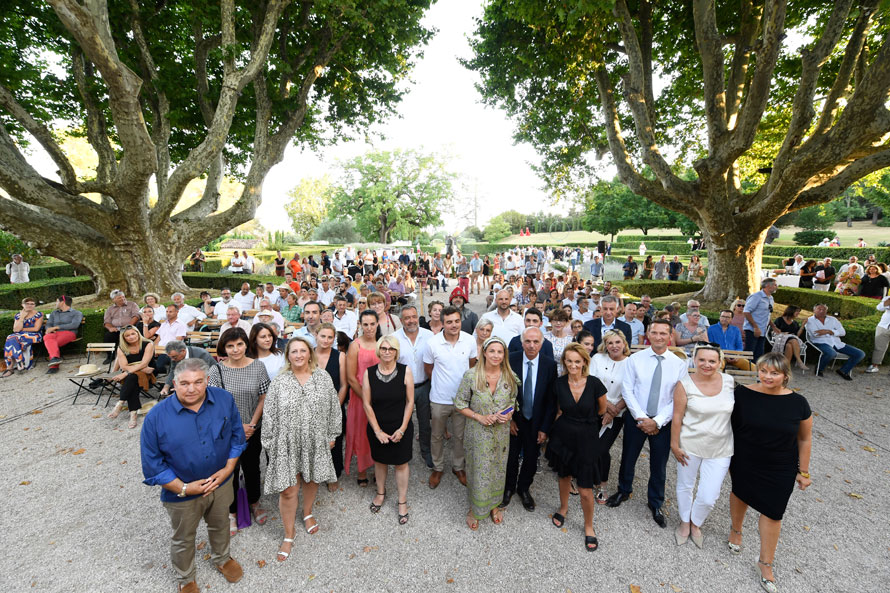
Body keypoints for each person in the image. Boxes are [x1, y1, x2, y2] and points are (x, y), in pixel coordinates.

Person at [140, 358, 246, 592]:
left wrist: (228, 469)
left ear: (207, 380)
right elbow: (153, 465)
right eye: (184, 383)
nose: (191, 388)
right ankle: (185, 578)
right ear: (174, 383)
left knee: (220, 525)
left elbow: (237, 438)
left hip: (221, 484)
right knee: (183, 537)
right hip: (181, 492)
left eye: (198, 382)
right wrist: (185, 489)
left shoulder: (224, 400)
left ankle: (222, 558)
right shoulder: (155, 418)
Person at [728, 353, 812, 593]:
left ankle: (765, 564)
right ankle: (736, 531)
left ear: (785, 375)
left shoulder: (799, 403)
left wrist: (803, 472)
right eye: (763, 371)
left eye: (774, 373)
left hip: (781, 465)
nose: (767, 376)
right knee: (740, 493)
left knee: (774, 512)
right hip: (744, 459)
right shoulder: (742, 394)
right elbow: (726, 426)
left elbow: (805, 439)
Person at [261, 336, 340, 561]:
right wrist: (269, 441)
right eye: (293, 351)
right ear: (288, 356)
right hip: (286, 442)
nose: (298, 355)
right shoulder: (280, 381)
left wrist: (332, 434)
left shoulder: (322, 378)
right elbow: (270, 412)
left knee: (312, 478)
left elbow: (334, 407)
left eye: (302, 351)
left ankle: (306, 512)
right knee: (288, 489)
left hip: (315, 440)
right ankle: (288, 533)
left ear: (309, 353)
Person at [606, 319, 688, 529]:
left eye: (663, 333)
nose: (659, 337)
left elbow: (677, 399)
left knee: (658, 465)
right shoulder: (636, 359)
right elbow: (628, 390)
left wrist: (657, 421)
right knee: (628, 457)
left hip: (663, 421)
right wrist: (641, 418)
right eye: (655, 333)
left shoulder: (679, 364)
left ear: (670, 336)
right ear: (648, 335)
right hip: (637, 419)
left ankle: (656, 502)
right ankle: (623, 491)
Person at [207, 328, 271, 535]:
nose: (235, 350)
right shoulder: (216, 370)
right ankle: (232, 511)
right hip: (226, 431)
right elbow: (214, 404)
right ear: (224, 348)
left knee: (252, 468)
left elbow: (264, 397)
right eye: (230, 346)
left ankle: (254, 502)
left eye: (239, 344)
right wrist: (237, 427)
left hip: (253, 429)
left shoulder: (258, 366)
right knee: (230, 471)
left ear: (246, 344)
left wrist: (251, 425)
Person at [670, 344, 735, 548]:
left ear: (720, 362)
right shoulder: (684, 384)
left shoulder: (729, 381)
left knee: (709, 495)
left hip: (721, 447)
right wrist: (674, 444)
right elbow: (677, 416)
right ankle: (684, 522)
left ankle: (696, 522)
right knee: (685, 486)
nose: (706, 365)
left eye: (712, 361)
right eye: (702, 360)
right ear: (694, 361)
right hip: (689, 444)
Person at [545, 343, 607, 551]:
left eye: (577, 361)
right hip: (563, 435)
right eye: (569, 361)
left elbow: (602, 409)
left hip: (587, 437)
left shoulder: (595, 383)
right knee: (564, 477)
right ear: (564, 362)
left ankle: (589, 526)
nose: (573, 365)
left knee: (585, 489)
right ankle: (563, 508)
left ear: (584, 362)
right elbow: (556, 409)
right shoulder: (559, 383)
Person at [455, 336, 518, 529]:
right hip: (478, 433)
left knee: (498, 469)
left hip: (501, 434)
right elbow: (459, 404)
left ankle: (494, 505)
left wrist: (508, 415)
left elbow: (513, 402)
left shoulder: (509, 377)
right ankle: (476, 508)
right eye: (492, 351)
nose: (496, 355)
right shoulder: (471, 376)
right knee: (478, 470)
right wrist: (479, 417)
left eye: (500, 352)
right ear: (484, 352)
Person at [501, 327, 557, 512]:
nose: (531, 346)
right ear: (521, 342)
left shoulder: (549, 365)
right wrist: (509, 419)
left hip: (536, 421)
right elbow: (504, 393)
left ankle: (523, 488)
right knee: (511, 456)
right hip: (515, 420)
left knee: (531, 458)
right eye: (528, 341)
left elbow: (551, 400)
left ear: (542, 343)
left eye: (536, 342)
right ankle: (508, 488)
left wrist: (545, 428)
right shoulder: (511, 359)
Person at [423, 306, 478, 489]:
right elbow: (429, 369)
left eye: (456, 321)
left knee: (460, 436)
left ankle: (458, 466)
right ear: (442, 323)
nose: (454, 325)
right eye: (449, 322)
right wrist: (441, 384)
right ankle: (438, 468)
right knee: (437, 435)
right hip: (439, 399)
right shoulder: (432, 343)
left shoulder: (469, 340)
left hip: (462, 400)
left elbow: (471, 367)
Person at [363, 335, 415, 525]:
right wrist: (377, 431)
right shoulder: (369, 373)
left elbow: (410, 401)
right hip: (378, 426)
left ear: (396, 352)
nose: (387, 352)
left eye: (391, 349)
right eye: (384, 348)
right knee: (380, 461)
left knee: (401, 463)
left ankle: (402, 501)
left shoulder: (405, 371)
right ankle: (380, 493)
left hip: (401, 425)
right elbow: (367, 404)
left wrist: (402, 429)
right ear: (378, 350)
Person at [589, 330, 629, 503]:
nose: (614, 346)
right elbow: (591, 382)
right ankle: (589, 478)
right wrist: (607, 407)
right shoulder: (597, 359)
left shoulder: (631, 363)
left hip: (617, 415)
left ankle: (602, 483)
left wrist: (613, 411)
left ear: (624, 344)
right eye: (610, 343)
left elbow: (631, 391)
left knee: (601, 449)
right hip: (594, 409)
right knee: (590, 446)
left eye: (617, 342)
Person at [394, 305, 435, 469]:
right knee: (404, 422)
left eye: (413, 316)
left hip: (424, 386)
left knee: (425, 423)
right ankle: (404, 453)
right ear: (401, 320)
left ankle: (426, 452)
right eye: (407, 318)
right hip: (403, 388)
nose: (411, 321)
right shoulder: (394, 338)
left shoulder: (430, 336)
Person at [345, 310, 381, 486]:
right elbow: (351, 377)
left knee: (378, 432)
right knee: (361, 433)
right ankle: (361, 470)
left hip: (380, 398)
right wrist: (367, 399)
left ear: (377, 324)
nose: (369, 328)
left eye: (372, 324)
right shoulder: (355, 345)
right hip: (360, 397)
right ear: (360, 325)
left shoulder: (383, 344)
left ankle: (378, 467)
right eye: (365, 324)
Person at [312, 323, 348, 492]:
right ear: (316, 335)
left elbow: (343, 385)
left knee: (334, 443)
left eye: (330, 337)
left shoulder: (340, 356)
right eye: (323, 336)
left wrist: (334, 408)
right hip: (310, 407)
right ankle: (313, 472)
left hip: (334, 406)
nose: (326, 340)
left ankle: (332, 475)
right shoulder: (307, 354)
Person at [107, 326, 155, 429]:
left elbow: (144, 363)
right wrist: (132, 370)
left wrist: (125, 373)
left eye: (133, 334)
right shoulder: (121, 348)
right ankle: (133, 414)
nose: (131, 337)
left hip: (148, 373)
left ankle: (121, 404)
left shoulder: (148, 344)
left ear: (138, 333)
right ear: (123, 338)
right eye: (127, 335)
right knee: (132, 378)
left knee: (130, 377)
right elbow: (123, 366)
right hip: (135, 373)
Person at [804, 304, 866, 380]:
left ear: (826, 311)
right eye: (819, 309)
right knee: (831, 353)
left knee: (860, 354)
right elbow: (815, 334)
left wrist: (828, 331)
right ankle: (819, 369)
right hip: (821, 342)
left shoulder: (832, 319)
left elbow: (843, 332)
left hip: (837, 343)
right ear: (814, 310)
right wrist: (835, 332)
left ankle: (843, 370)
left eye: (824, 309)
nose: (821, 311)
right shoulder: (810, 320)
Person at [2, 297, 44, 376]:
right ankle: (19, 363)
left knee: (14, 338)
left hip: (35, 335)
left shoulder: (39, 314)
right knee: (10, 337)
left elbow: (36, 328)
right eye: (27, 304)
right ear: (22, 305)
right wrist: (22, 317)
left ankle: (11, 367)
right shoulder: (18, 315)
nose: (29, 305)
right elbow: (15, 330)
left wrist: (21, 329)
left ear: (34, 305)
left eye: (32, 304)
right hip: (20, 336)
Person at [43, 295, 83, 372]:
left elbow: (74, 325)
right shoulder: (54, 313)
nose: (55, 303)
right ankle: (55, 359)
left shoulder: (76, 313)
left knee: (50, 343)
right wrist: (48, 329)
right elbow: (48, 324)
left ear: (62, 302)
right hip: (54, 334)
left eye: (57, 301)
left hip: (69, 333)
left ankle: (54, 367)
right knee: (47, 337)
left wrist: (56, 327)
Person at [743, 278, 777, 361]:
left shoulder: (771, 298)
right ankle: (746, 372)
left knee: (759, 354)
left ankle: (755, 372)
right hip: (752, 330)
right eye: (775, 285)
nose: (777, 287)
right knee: (749, 353)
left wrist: (773, 326)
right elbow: (746, 312)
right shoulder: (756, 296)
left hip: (762, 330)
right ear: (768, 286)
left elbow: (767, 315)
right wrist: (755, 327)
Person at [102, 290, 140, 362]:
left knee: (130, 334)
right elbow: (107, 321)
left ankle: (132, 355)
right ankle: (110, 356)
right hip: (116, 329)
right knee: (108, 336)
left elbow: (136, 316)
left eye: (123, 297)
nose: (122, 299)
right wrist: (110, 328)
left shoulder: (132, 304)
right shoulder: (110, 309)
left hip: (130, 328)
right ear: (114, 300)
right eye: (119, 298)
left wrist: (129, 326)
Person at [770, 305, 808, 371]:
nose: (798, 313)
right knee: (793, 340)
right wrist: (782, 333)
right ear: (791, 311)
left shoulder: (795, 323)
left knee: (789, 345)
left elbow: (797, 335)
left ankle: (785, 367)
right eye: (797, 311)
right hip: (780, 339)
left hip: (790, 341)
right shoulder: (780, 320)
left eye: (799, 312)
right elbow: (773, 331)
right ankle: (799, 360)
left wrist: (802, 326)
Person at [155, 304, 188, 375]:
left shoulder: (181, 324)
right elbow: (158, 338)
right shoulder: (164, 324)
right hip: (159, 350)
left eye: (170, 312)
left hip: (171, 351)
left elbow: (177, 342)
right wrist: (155, 349)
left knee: (158, 366)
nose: (168, 314)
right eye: (167, 312)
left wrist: (164, 350)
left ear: (177, 312)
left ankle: (169, 376)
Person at [544, 307, 574, 375]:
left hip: (565, 374)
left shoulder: (571, 339)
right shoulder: (544, 338)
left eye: (561, 320)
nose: (558, 323)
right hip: (547, 373)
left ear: (566, 322)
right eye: (555, 320)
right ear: (550, 322)